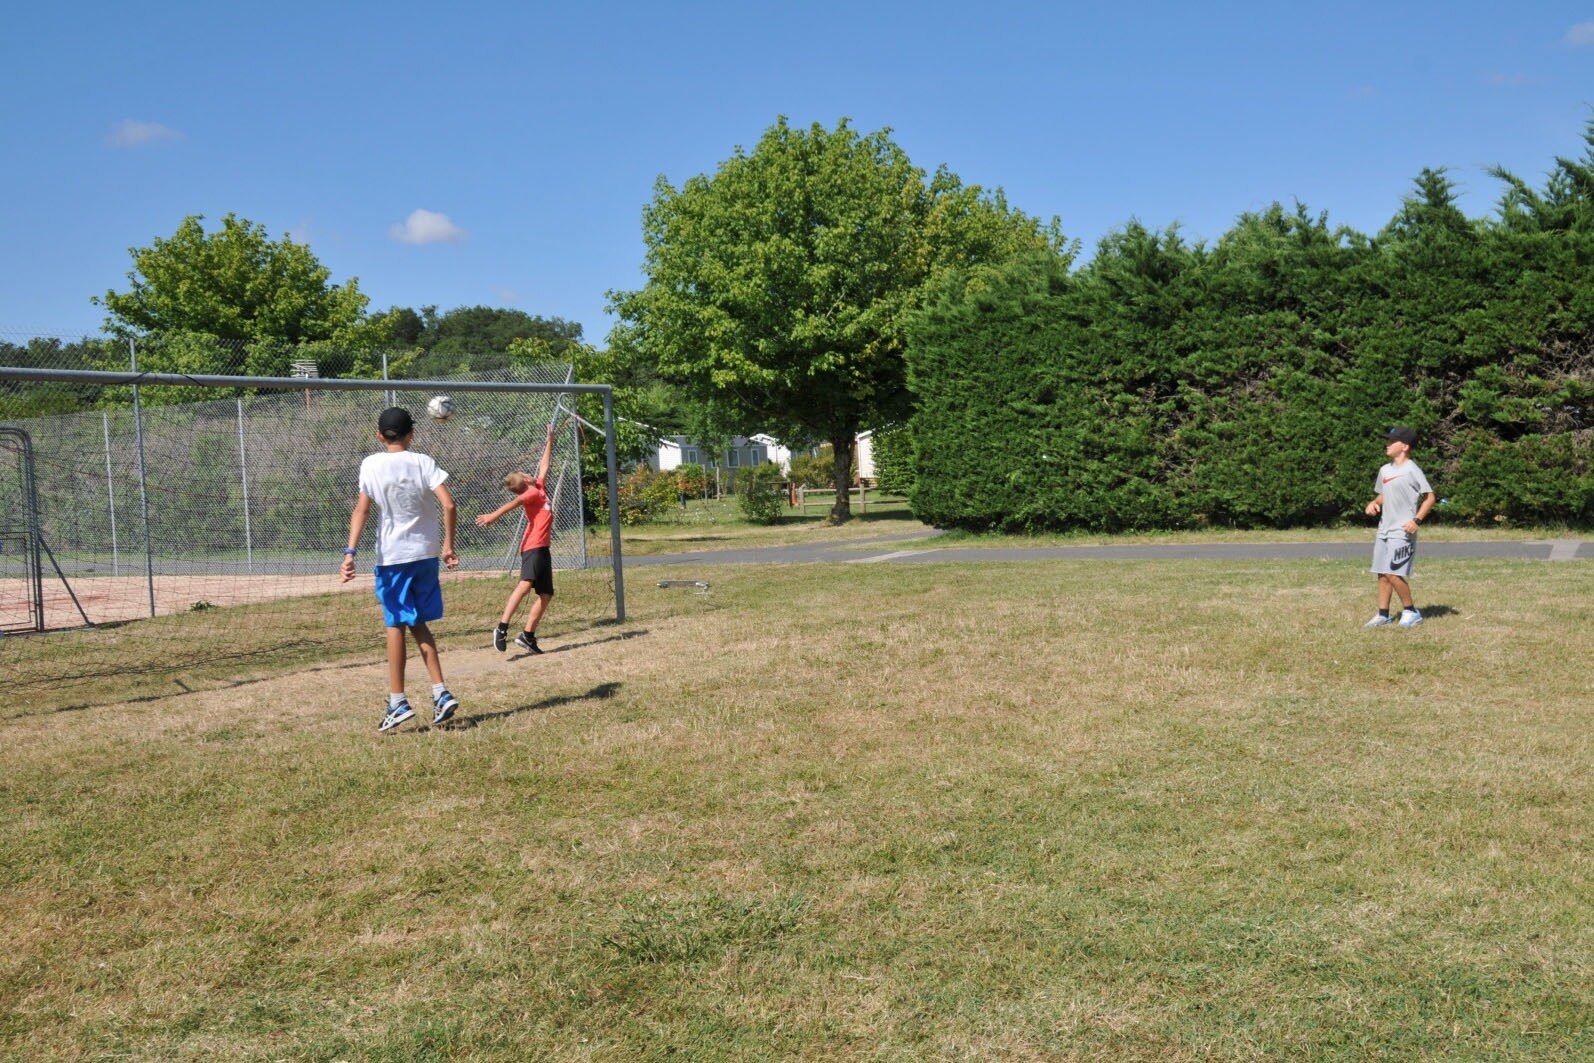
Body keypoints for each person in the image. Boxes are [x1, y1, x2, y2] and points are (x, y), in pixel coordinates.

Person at [341, 406, 461, 731]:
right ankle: (440, 692)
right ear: (412, 434)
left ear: (379, 435)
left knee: (394, 624)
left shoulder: (371, 464)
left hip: (393, 557)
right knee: (417, 620)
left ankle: (398, 701)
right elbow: (449, 504)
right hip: (425, 554)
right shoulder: (423, 461)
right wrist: (448, 546)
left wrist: (350, 552)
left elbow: (361, 511)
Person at [477, 420, 561, 655]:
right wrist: (493, 515)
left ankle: (528, 636)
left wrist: (550, 440)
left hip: (542, 547)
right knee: (525, 585)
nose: (530, 473)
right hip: (533, 547)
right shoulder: (532, 492)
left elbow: (545, 464)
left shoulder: (540, 486)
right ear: (525, 482)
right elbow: (515, 503)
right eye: (526, 473)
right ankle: (501, 628)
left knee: (546, 594)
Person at [1363, 426, 1435, 628]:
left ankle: (1411, 611)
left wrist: (1416, 520)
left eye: (1391, 441)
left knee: (1393, 573)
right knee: (1382, 572)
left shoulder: (1412, 469)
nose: (1387, 444)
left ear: (1404, 446)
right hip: (1384, 529)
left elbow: (1430, 497)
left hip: (1402, 531)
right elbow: (1384, 494)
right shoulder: (1385, 470)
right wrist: (1374, 503)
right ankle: (1383, 614)